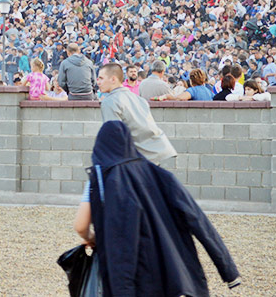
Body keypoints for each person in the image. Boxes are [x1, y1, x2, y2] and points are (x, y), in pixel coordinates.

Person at [73, 121, 241, 295]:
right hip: (170, 268)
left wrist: (93, 237)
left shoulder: (100, 179)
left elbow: (80, 226)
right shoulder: (161, 175)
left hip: (126, 275)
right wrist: (228, 271)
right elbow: (199, 220)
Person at [96, 63, 176, 165]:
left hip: (134, 162)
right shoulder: (138, 99)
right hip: (153, 158)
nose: (98, 82)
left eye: (101, 78)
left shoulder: (110, 101)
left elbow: (114, 138)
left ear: (113, 79)